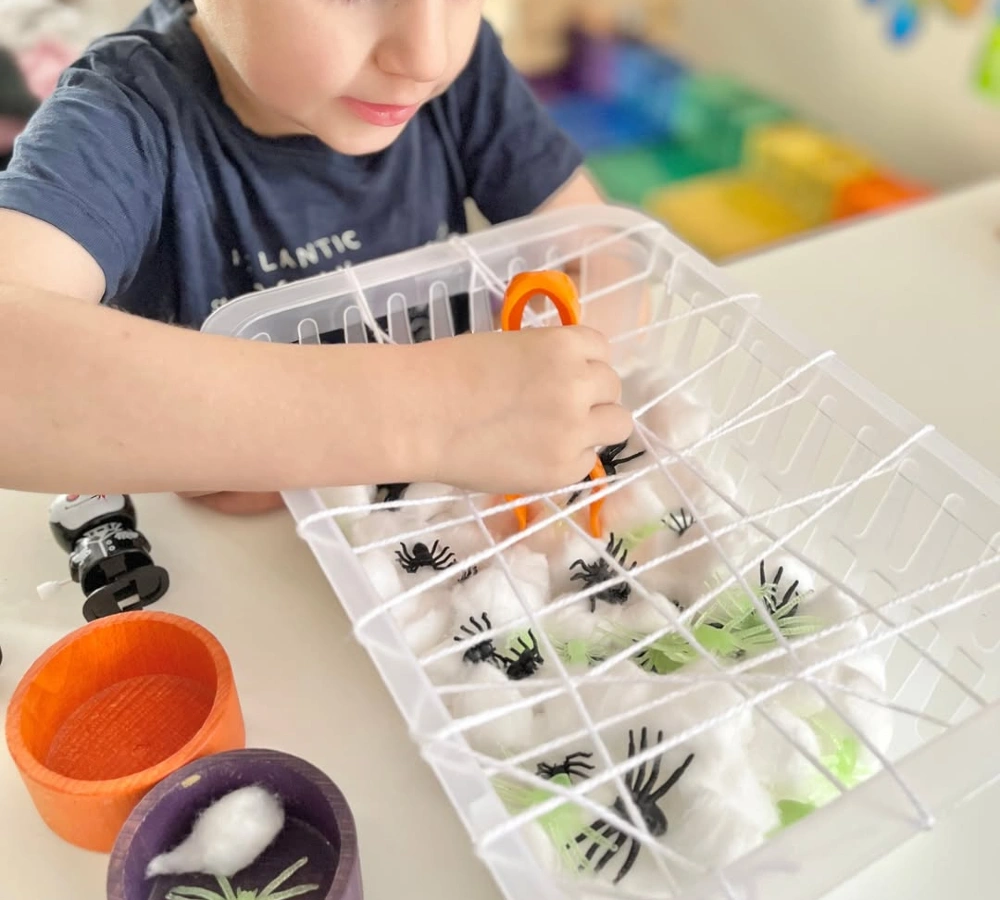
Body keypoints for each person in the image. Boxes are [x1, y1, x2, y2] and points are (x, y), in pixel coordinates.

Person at [0, 0, 631, 514]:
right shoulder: (123, 116)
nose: (426, 55)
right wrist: (432, 420)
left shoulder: (465, 75)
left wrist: (525, 400)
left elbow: (604, 264)